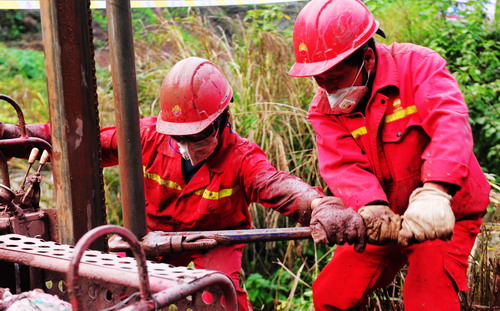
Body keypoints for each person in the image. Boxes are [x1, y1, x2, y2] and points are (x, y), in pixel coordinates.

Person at [0, 57, 367, 311]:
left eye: (199, 135)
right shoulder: (145, 136)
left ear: (224, 118)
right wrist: (15, 136)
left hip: (215, 240)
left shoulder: (243, 158)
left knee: (222, 296)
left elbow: (278, 184)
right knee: (110, 288)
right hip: (150, 237)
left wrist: (321, 206)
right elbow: (79, 144)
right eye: (180, 137)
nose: (188, 147)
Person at [288, 0, 491, 310]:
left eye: (334, 79)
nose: (326, 90)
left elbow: (450, 124)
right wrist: (371, 206)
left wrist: (436, 191)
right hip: (386, 218)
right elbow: (342, 165)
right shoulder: (323, 109)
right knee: (331, 296)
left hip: (445, 213)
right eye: (319, 80)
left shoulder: (418, 66)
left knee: (428, 301)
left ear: (367, 58)